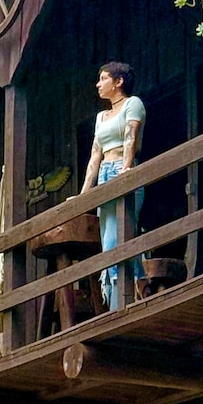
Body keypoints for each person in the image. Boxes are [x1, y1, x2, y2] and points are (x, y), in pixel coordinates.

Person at [81, 62, 145, 312]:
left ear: (119, 82)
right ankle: (138, 290)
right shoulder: (101, 117)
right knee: (110, 239)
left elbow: (130, 138)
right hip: (105, 173)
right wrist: (84, 194)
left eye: (104, 78)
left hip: (122, 169)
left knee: (116, 239)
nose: (98, 84)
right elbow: (95, 155)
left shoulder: (133, 104)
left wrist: (126, 170)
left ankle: (124, 302)